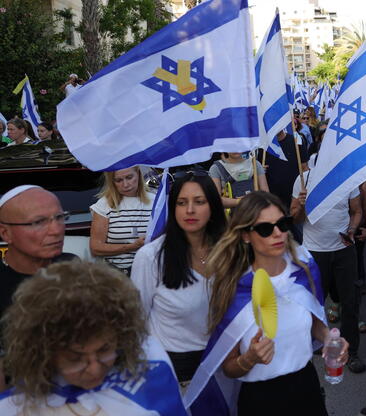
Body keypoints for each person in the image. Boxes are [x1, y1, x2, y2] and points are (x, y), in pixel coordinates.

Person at [198, 192, 343, 415]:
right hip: (260, 400)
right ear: (246, 235)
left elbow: (315, 324)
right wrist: (249, 359)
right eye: (265, 229)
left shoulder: (303, 270)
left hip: (306, 388)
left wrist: (331, 340)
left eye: (283, 224)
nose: (277, 233)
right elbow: (228, 367)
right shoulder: (234, 288)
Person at [0, 261, 186, 415]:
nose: (94, 369)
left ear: (122, 338)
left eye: (104, 350)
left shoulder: (153, 369)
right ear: (43, 353)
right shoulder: (14, 408)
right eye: (75, 358)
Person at [130, 171, 227, 384]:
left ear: (213, 206)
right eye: (181, 202)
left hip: (226, 365)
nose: (190, 210)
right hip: (175, 371)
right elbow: (136, 319)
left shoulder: (229, 251)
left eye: (199, 201)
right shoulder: (150, 257)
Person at [290, 160, 366, 373]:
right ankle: (309, 347)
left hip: (343, 251)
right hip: (314, 253)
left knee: (350, 303)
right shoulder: (303, 180)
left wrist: (351, 230)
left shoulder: (347, 179)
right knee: (312, 304)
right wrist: (303, 205)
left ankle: (351, 352)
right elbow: (293, 218)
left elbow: (357, 211)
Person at [0, 186, 74, 323]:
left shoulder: (72, 266)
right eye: (38, 222)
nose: (56, 230)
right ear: (5, 233)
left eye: (60, 217)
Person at [89, 166, 154, 274]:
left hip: (151, 272)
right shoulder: (104, 205)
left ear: (138, 174)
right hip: (118, 274)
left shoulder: (155, 201)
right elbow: (96, 248)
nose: (125, 184)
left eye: (129, 177)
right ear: (112, 182)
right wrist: (131, 247)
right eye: (118, 180)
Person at [263, 129, 310, 209]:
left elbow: (304, 167)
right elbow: (260, 169)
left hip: (293, 195)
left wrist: (307, 188)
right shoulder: (263, 145)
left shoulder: (296, 141)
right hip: (272, 197)